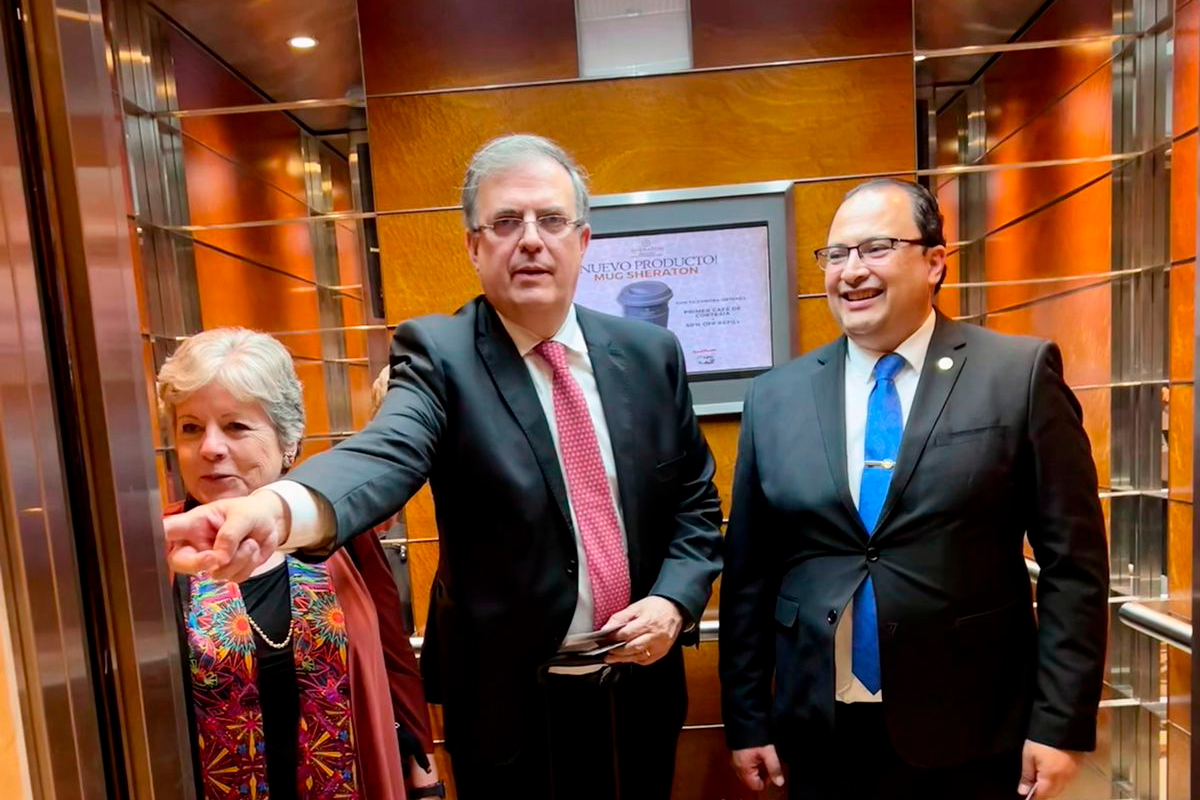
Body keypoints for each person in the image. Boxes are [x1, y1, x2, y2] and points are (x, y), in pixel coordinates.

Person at [162, 134, 724, 799]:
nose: (531, 240)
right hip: (511, 710)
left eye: (550, 220)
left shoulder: (652, 353)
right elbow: (387, 450)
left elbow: (695, 505)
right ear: (473, 245)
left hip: (637, 695)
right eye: (506, 223)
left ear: (583, 238)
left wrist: (671, 602)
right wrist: (276, 509)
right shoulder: (440, 354)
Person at [718, 178, 1109, 800]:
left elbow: (1075, 565)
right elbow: (748, 575)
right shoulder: (776, 396)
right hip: (820, 727)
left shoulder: (1018, 375)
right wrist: (745, 716)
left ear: (934, 261)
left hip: (972, 726)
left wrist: (1060, 723)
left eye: (875, 248)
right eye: (836, 254)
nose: (851, 272)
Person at [158, 327, 439, 800]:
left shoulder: (336, 533)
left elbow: (392, 659)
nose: (210, 448)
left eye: (235, 426)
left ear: (288, 442)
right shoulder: (156, 553)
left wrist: (424, 772)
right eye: (190, 427)